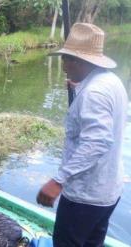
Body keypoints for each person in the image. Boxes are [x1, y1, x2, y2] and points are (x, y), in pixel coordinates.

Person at [36, 23, 128, 246]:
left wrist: (59, 180)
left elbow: (97, 141)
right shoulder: (110, 82)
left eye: (65, 59)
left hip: (85, 195)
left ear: (77, 61)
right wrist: (79, 88)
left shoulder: (93, 93)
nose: (63, 65)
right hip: (108, 191)